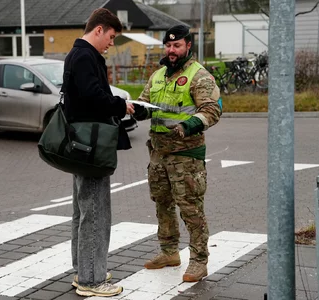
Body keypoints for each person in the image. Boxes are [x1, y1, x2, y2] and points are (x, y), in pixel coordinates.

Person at [133, 24, 222, 282]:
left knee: (191, 209)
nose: (171, 50)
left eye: (177, 45)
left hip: (186, 157)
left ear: (188, 46)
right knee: (162, 205)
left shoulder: (199, 76)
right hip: (159, 154)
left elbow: (211, 110)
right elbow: (148, 103)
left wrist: (189, 125)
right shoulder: (158, 75)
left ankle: (199, 261)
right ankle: (169, 252)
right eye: (168, 45)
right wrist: (139, 110)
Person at [63, 8, 135, 297]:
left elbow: (85, 96)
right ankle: (92, 280)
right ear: (99, 30)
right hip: (91, 147)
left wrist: (115, 102)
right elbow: (93, 98)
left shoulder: (77, 54)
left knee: (83, 210)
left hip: (82, 145)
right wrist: (121, 105)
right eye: (111, 36)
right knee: (95, 213)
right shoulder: (84, 57)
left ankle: (85, 270)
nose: (111, 43)